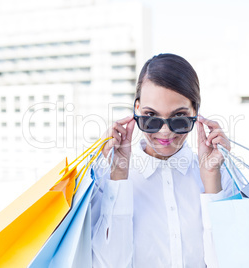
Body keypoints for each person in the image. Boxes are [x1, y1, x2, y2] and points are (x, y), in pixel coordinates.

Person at [90, 53, 235, 268]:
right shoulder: (106, 179)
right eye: (151, 117)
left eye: (179, 118)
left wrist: (211, 183)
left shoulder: (221, 177)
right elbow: (109, 264)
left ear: (196, 111)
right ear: (136, 109)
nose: (165, 132)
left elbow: (231, 262)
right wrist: (119, 178)